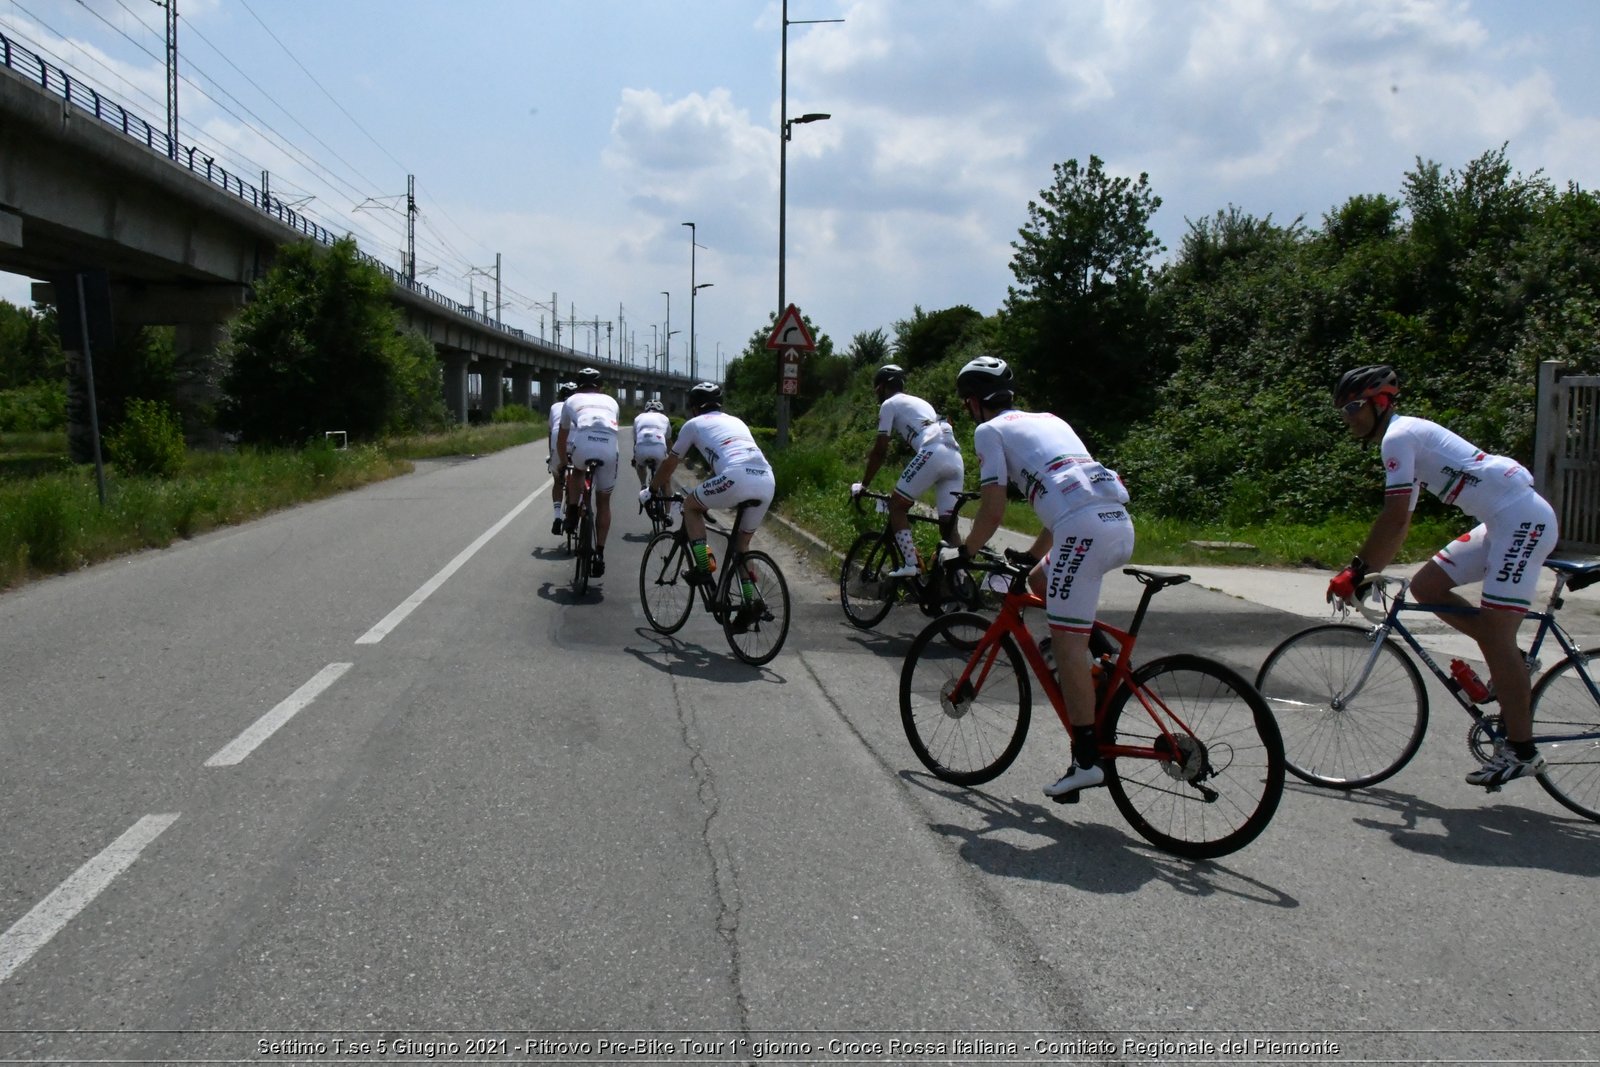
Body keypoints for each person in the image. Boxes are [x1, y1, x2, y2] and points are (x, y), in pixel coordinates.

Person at [1326, 365, 1557, 788]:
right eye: (1341, 411)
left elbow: (1394, 520)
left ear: (1381, 402)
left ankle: (1522, 750)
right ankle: (1511, 662)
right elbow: (1401, 521)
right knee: (1427, 587)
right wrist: (1363, 569)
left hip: (1521, 521)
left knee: (1494, 635)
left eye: (1355, 407)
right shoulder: (1405, 441)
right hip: (1503, 520)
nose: (1349, 418)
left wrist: (1356, 570)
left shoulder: (1398, 437)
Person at [952, 355, 1135, 801]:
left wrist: (962, 554)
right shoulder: (1050, 419)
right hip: (1116, 522)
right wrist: (1032, 553)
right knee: (1038, 581)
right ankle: (1102, 669)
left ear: (975, 402)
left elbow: (992, 509)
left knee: (1066, 642)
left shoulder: (988, 431)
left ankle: (1087, 760)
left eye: (965, 404)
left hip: (1083, 531)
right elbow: (1072, 493)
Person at [641, 382, 774, 628]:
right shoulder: (737, 422)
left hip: (736, 477)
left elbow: (670, 465)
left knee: (690, 506)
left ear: (693, 408)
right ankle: (749, 603)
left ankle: (703, 566)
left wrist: (652, 490)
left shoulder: (693, 425)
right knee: (742, 545)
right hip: (766, 479)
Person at [851, 364, 966, 578]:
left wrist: (864, 484)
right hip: (955, 456)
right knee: (948, 527)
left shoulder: (889, 404)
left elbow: (880, 450)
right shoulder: (920, 402)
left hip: (934, 451)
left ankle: (911, 564)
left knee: (896, 505)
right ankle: (962, 582)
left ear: (882, 387)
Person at [556, 367, 620, 578]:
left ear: (578, 386)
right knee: (603, 502)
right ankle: (599, 554)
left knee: (577, 472)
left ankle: (572, 512)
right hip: (609, 447)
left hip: (583, 444)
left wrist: (564, 463)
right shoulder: (612, 402)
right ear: (600, 388)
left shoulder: (570, 401)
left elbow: (562, 439)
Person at [547, 381, 577, 536]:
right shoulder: (580, 405)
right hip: (577, 441)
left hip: (557, 440)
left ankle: (557, 517)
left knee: (558, 479)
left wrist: (551, 455)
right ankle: (578, 511)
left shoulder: (555, 407)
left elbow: (551, 432)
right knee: (580, 474)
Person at [631, 400, 672, 491]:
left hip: (641, 449)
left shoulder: (638, 418)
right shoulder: (665, 418)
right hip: (659, 450)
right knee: (665, 480)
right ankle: (668, 504)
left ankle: (643, 485)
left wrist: (634, 458)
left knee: (640, 466)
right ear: (661, 411)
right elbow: (668, 441)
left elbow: (635, 441)